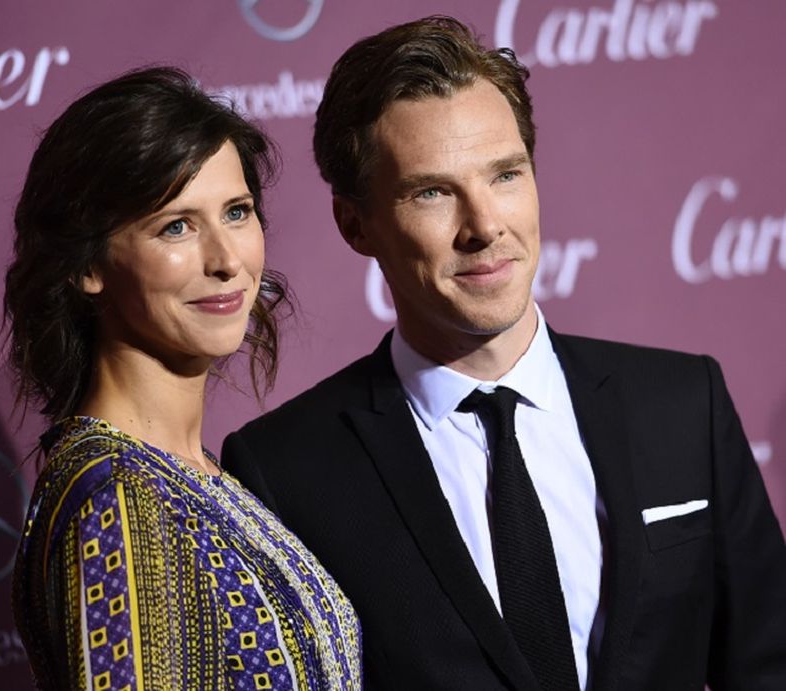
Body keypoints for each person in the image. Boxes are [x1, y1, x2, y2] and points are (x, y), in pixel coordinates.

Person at [222, 16, 786, 691]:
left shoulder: (681, 403)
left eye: (504, 175)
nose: (484, 226)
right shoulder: (284, 471)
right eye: (432, 191)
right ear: (355, 224)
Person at [4, 66, 361, 690]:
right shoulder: (115, 498)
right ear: (89, 265)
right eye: (177, 226)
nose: (226, 260)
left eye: (237, 212)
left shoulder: (195, 474)